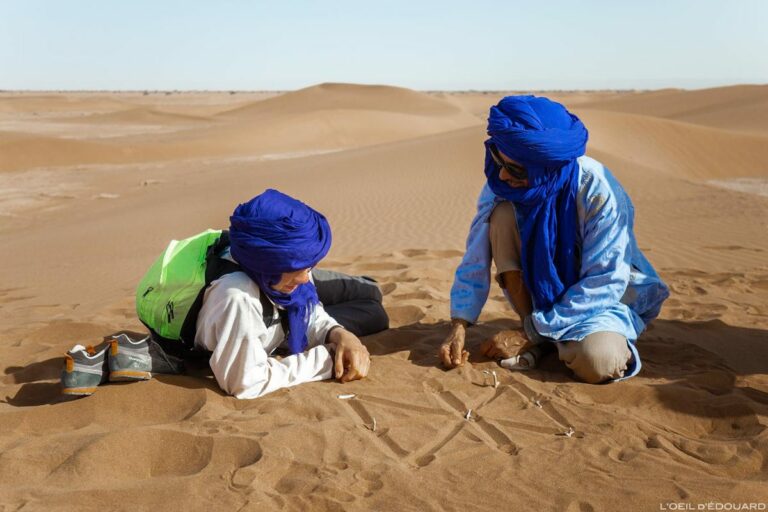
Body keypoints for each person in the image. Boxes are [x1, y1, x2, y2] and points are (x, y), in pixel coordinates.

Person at [441, 96, 669, 383]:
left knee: (597, 362)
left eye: (516, 169)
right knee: (501, 215)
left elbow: (605, 281)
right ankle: (544, 337)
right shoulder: (500, 186)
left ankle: (544, 338)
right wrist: (459, 325)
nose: (501, 174)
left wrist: (531, 331)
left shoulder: (598, 191)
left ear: (545, 168)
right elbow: (475, 258)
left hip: (601, 301)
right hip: (538, 300)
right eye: (499, 159)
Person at [195, 189, 388, 398]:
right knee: (374, 314)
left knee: (372, 293)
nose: (306, 278)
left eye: (310, 266)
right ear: (270, 263)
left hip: (282, 291)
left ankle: (350, 291)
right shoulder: (237, 298)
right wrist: (327, 359)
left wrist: (340, 333)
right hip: (270, 316)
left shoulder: (280, 270)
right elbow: (244, 382)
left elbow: (309, 312)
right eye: (301, 267)